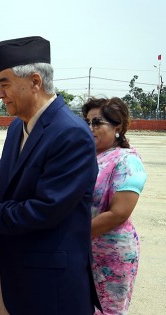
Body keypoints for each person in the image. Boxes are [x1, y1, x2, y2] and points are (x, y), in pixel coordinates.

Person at [0, 36, 102, 315]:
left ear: (35, 82)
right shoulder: (18, 127)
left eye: (4, 83)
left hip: (50, 284)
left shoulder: (71, 134)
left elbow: (44, 210)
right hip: (11, 271)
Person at [82, 97, 147, 314]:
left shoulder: (127, 161)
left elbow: (119, 213)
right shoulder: (90, 157)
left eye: (97, 122)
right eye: (87, 122)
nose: (90, 128)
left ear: (117, 127)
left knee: (109, 310)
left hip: (112, 253)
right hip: (84, 250)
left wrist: (73, 235)